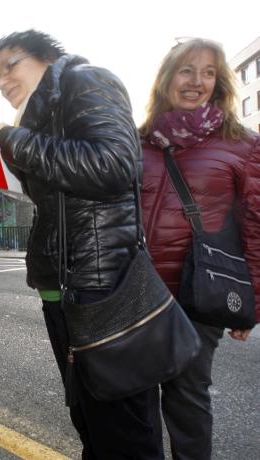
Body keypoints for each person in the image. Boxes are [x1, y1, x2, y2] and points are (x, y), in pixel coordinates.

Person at [0, 30, 163, 458]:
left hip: (103, 288)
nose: (4, 81)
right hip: (62, 290)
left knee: (125, 427)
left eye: (12, 65)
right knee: (89, 418)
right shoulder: (41, 120)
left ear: (47, 56)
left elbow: (115, 164)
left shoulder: (87, 81)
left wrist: (11, 139)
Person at [139, 38, 260, 460]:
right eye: (187, 70)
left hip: (198, 292)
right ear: (167, 78)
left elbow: (255, 226)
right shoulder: (139, 142)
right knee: (135, 406)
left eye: (208, 72)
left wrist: (253, 303)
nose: (197, 82)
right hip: (138, 293)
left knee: (187, 403)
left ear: (219, 81)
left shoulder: (243, 144)